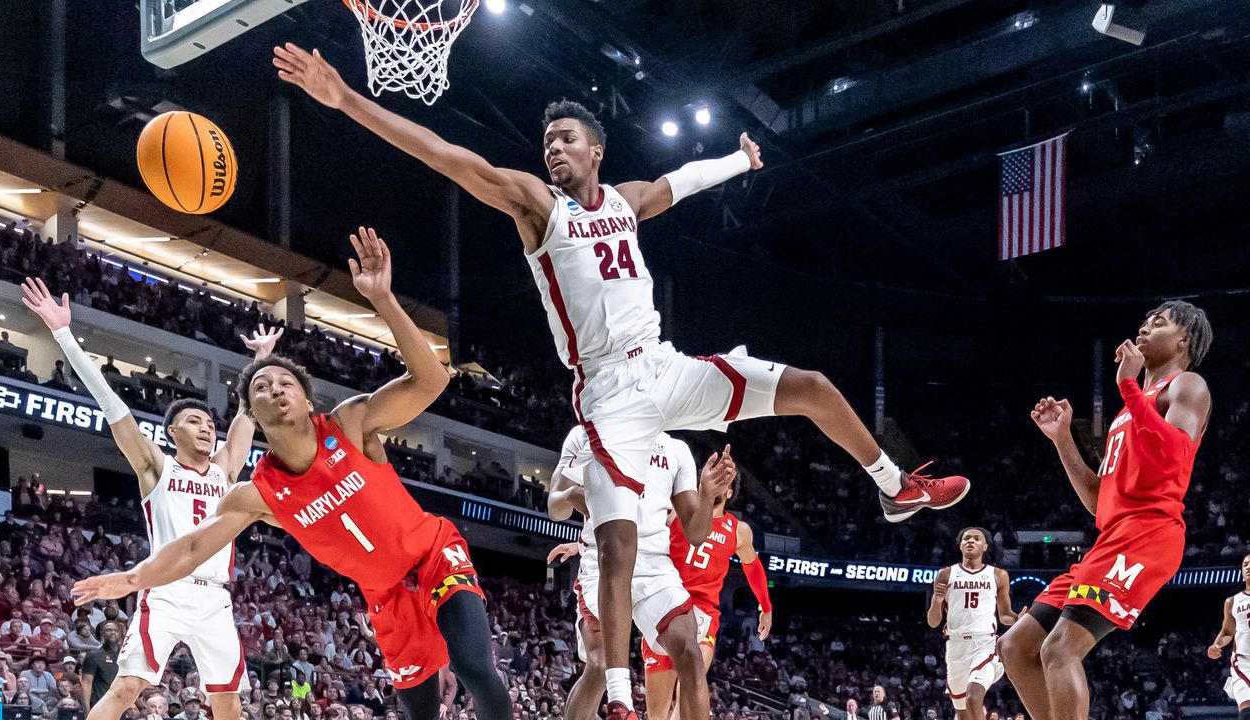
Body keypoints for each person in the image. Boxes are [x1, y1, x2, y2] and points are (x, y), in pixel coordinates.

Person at [272, 43, 970, 720]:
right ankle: (616, 692)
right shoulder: (537, 206)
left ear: (595, 151)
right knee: (617, 544)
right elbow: (448, 156)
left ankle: (894, 486)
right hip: (606, 393)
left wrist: (738, 159)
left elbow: (680, 183)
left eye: (566, 138)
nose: (553, 149)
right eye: (548, 140)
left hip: (665, 366)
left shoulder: (624, 202)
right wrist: (344, 100)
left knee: (812, 386)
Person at [72, 228, 510, 720]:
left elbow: (432, 379)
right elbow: (193, 547)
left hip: (432, 555)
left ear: (306, 399)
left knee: (473, 667)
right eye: (262, 385)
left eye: (286, 382)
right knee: (421, 715)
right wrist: (133, 578)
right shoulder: (256, 493)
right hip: (384, 593)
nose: (275, 387)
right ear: (252, 412)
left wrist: (383, 299)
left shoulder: (351, 424)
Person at [21, 276, 282, 720]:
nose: (207, 427)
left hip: (216, 599)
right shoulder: (156, 466)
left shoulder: (225, 471)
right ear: (172, 432)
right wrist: (63, 333)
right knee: (127, 688)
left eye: (208, 423)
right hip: (165, 590)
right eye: (195, 421)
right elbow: (110, 404)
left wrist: (262, 361)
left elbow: (246, 411)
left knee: (228, 701)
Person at [999, 301, 1213, 720]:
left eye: (1159, 322)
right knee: (1016, 647)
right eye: (1145, 320)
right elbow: (1100, 503)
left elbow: (1176, 455)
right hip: (1111, 536)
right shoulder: (1126, 413)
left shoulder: (1187, 385)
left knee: (1060, 650)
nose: (1145, 327)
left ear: (1184, 339)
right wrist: (1062, 440)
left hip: (1148, 534)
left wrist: (1129, 388)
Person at [546, 429, 735, 720]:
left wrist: (707, 496)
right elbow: (555, 507)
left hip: (653, 566)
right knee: (600, 664)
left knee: (691, 653)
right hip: (603, 558)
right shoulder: (585, 434)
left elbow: (696, 534)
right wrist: (572, 493)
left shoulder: (675, 449)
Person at [641, 465, 773, 720]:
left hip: (703, 614)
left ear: (730, 492)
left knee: (691, 679)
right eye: (713, 475)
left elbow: (753, 567)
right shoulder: (674, 510)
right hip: (665, 605)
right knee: (656, 713)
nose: (717, 481)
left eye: (724, 479)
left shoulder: (738, 531)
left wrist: (765, 607)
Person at [926, 528, 1019, 720]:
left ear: (985, 546)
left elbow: (1005, 616)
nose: (971, 541)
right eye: (966, 538)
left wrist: (1018, 620)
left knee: (973, 696)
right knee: (962, 712)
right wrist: (936, 601)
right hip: (955, 646)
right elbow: (933, 622)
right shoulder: (945, 574)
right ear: (960, 545)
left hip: (983, 643)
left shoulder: (998, 575)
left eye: (977, 539)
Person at [1206, 552, 1250, 720]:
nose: (1248, 567)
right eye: (1245, 564)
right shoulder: (1232, 601)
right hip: (1243, 665)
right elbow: (1227, 632)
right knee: (1246, 714)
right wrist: (1216, 645)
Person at [80, 622, 124, 711]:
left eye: (116, 630)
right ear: (102, 634)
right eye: (108, 630)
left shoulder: (124, 656)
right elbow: (86, 684)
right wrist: (87, 710)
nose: (112, 632)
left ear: (120, 635)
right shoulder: (93, 655)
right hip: (100, 706)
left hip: (121, 706)